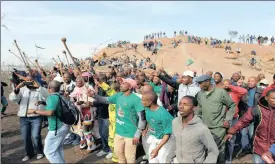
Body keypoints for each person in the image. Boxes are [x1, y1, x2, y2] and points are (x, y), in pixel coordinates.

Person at [89, 78, 146, 163]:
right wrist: (94, 95)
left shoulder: (136, 100)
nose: (121, 84)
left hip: (130, 134)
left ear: (130, 87)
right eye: (121, 83)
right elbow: (106, 100)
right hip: (118, 132)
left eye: (124, 83)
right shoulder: (118, 95)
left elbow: (142, 119)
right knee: (118, 153)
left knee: (130, 157)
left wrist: (137, 135)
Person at [224, 89, 275, 163]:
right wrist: (231, 131)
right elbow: (243, 121)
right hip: (259, 147)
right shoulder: (256, 109)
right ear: (266, 98)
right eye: (273, 98)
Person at [195, 75, 236, 163]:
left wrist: (227, 119)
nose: (200, 86)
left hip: (218, 128)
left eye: (201, 83)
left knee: (218, 151)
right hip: (204, 127)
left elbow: (232, 106)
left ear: (208, 82)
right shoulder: (200, 94)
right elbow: (199, 109)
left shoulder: (221, 92)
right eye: (199, 84)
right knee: (206, 151)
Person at [28, 80, 70, 163]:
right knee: (57, 148)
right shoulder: (61, 95)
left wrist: (34, 111)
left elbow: (49, 113)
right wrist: (43, 103)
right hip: (64, 125)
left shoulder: (52, 97)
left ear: (49, 88)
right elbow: (57, 107)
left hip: (57, 128)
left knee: (48, 152)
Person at [167, 96, 219, 163]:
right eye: (180, 104)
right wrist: (168, 159)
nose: (181, 107)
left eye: (185, 104)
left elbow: (213, 151)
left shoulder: (201, 128)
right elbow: (174, 142)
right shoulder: (175, 122)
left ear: (194, 108)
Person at [9, 76, 47, 162]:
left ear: (35, 81)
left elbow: (46, 96)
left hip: (36, 116)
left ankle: (39, 151)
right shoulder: (23, 90)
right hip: (24, 117)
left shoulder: (40, 90)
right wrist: (18, 87)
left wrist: (39, 87)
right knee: (26, 137)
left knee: (35, 136)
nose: (29, 82)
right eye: (27, 80)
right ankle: (29, 153)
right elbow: (13, 99)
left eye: (31, 80)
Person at [141, 92, 173, 163]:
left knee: (162, 160)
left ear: (150, 102)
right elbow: (150, 120)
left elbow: (167, 134)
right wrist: (146, 130)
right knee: (152, 160)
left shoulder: (164, 115)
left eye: (143, 100)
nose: (141, 102)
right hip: (154, 139)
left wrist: (157, 149)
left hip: (164, 142)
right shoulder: (148, 109)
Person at [222, 79, 248, 163]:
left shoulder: (235, 93)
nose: (225, 86)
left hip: (233, 118)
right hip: (222, 118)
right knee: (221, 139)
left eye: (227, 84)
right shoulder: (221, 93)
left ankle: (228, 159)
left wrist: (231, 86)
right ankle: (221, 157)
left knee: (231, 140)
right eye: (224, 84)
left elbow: (244, 91)